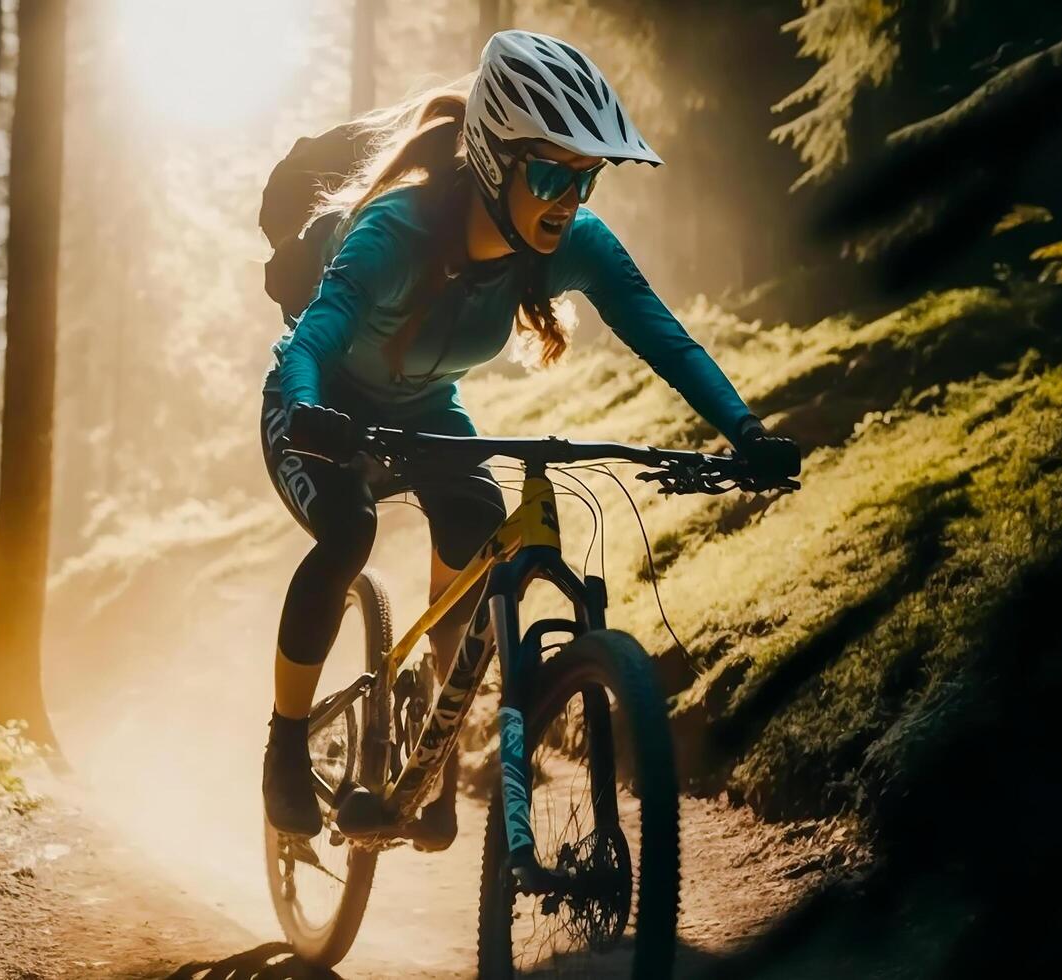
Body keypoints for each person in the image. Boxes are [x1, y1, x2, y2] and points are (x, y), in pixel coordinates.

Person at [257, 30, 800, 849]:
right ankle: (286, 746)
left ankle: (428, 765)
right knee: (347, 534)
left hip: (427, 413)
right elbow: (312, 341)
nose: (566, 202)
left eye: (583, 180)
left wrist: (746, 432)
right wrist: (304, 408)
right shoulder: (395, 232)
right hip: (319, 406)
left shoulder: (572, 245)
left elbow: (667, 340)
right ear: (490, 157)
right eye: (548, 173)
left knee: (476, 543)